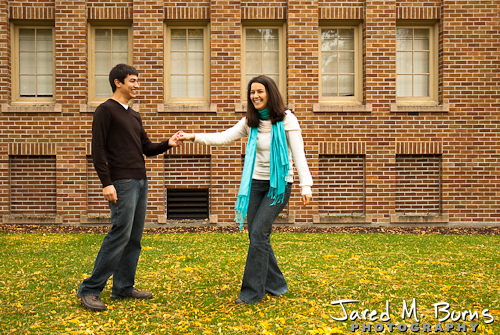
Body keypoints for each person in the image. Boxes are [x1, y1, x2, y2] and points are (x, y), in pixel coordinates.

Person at [178, 75, 313, 304]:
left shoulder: (287, 120)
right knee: (256, 235)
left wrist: (305, 185)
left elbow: (299, 154)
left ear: (270, 93)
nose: (255, 96)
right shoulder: (250, 121)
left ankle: (251, 293)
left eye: (260, 91)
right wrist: (192, 136)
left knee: (259, 233)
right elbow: (222, 138)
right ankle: (277, 284)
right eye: (252, 92)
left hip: (279, 185)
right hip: (255, 184)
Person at [77, 64, 182, 311]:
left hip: (140, 180)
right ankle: (90, 289)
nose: (137, 85)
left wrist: (168, 143)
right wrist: (107, 184)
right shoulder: (105, 111)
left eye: (137, 81)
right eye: (132, 81)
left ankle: (123, 286)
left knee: (133, 238)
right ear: (118, 82)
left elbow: (145, 147)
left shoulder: (134, 115)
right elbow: (98, 150)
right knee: (119, 235)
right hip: (121, 183)